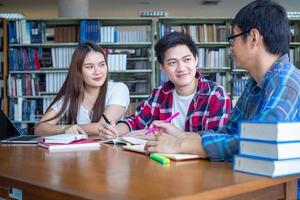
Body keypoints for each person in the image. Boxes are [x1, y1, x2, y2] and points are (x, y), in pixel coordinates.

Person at [150, 0, 300, 160]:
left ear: (254, 38)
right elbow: (229, 132)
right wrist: (181, 136)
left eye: (233, 39)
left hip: (284, 184)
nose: (231, 49)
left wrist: (179, 145)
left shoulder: (286, 81)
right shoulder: (254, 83)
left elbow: (261, 140)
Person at [101, 31, 231, 155]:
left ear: (196, 59)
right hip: (162, 165)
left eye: (187, 60)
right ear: (162, 67)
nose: (181, 68)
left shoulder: (216, 94)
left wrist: (169, 136)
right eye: (172, 62)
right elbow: (135, 121)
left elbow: (218, 139)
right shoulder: (159, 94)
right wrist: (115, 131)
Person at [34, 41, 130, 136]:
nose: (97, 71)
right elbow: (39, 128)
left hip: (110, 150)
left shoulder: (119, 89)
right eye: (90, 67)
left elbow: (102, 127)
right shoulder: (72, 96)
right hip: (81, 151)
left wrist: (74, 128)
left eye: (102, 64)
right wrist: (65, 129)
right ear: (78, 71)